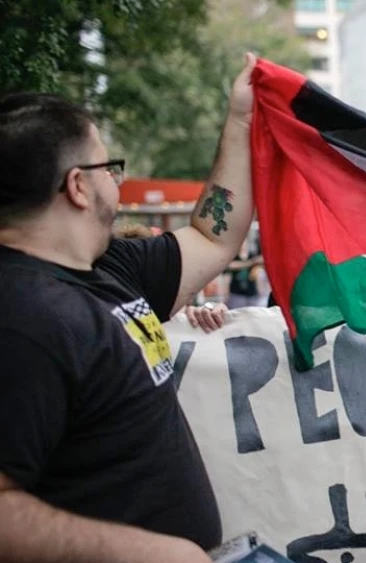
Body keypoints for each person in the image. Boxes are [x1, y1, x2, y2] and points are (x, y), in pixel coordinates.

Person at [0, 53, 259, 561]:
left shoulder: (109, 266)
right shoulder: (20, 322)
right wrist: (146, 553)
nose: (117, 181)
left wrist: (240, 120)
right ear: (77, 185)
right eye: (108, 167)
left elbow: (212, 235)